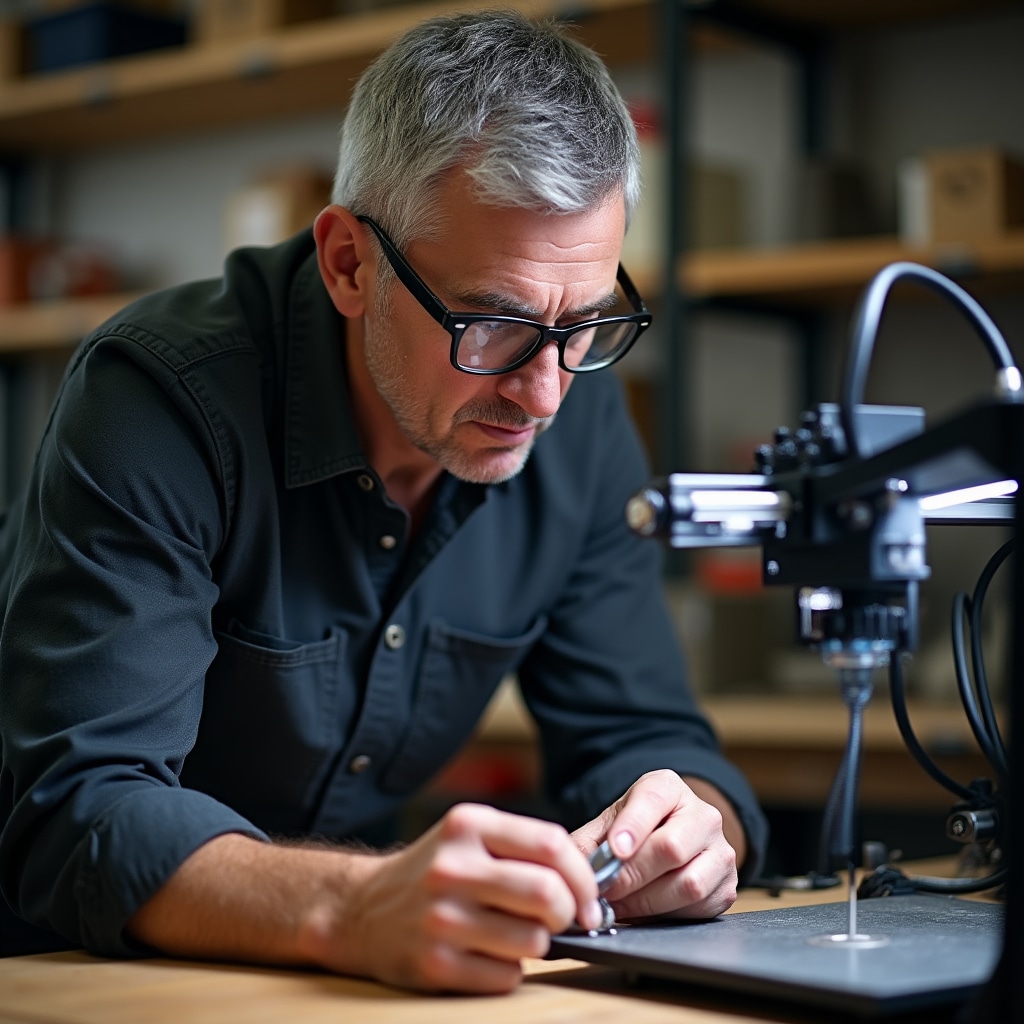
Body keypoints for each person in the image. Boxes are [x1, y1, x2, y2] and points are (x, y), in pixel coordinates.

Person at [0, 9, 767, 991]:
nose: (544, 393)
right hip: (65, 972)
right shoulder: (159, 400)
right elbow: (81, 810)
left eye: (585, 321)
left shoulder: (578, 416)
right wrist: (354, 903)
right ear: (349, 263)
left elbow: (640, 733)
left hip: (327, 978)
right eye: (491, 323)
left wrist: (693, 818)